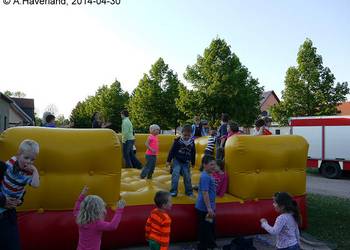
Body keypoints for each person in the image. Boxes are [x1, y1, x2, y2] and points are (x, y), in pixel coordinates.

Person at [0, 139, 40, 250]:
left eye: (32, 160)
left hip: (9, 211)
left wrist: (35, 171)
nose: (29, 162)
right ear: (18, 155)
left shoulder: (28, 174)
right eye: (26, 158)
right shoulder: (11, 162)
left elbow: (36, 185)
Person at [74, 185, 126, 250]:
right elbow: (112, 226)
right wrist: (119, 210)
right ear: (97, 210)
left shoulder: (80, 219)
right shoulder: (97, 224)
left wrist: (82, 195)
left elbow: (76, 208)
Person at [166, 125, 196, 197]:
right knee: (175, 174)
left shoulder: (192, 142)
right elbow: (172, 151)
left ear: (191, 135)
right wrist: (168, 161)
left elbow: (193, 153)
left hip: (186, 162)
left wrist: (193, 162)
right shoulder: (178, 141)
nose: (186, 137)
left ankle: (189, 192)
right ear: (181, 133)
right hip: (177, 160)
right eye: (185, 135)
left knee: (187, 176)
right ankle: (173, 191)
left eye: (188, 135)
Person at [195, 155, 217, 250]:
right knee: (205, 228)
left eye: (214, 164)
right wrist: (209, 208)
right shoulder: (205, 176)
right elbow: (205, 192)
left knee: (209, 226)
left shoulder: (208, 175)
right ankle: (203, 246)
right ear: (204, 165)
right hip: (205, 208)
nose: (214, 166)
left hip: (208, 207)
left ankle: (209, 245)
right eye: (211, 164)